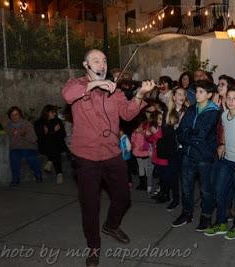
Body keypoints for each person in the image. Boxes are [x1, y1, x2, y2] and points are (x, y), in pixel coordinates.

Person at [61, 49, 155, 267]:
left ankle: (111, 225)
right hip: (86, 156)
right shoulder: (76, 84)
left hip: (112, 153)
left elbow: (128, 114)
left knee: (123, 196)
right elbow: (68, 95)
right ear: (86, 65)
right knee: (90, 205)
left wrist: (140, 94)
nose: (101, 64)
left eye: (104, 60)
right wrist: (94, 85)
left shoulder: (115, 91)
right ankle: (94, 246)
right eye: (96, 60)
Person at [204, 86, 235, 240]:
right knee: (219, 191)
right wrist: (223, 144)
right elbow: (225, 131)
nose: (231, 101)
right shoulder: (225, 115)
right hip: (226, 161)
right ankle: (221, 223)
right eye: (229, 98)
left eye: (234, 98)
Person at [171, 80, 220, 231]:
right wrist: (188, 134)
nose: (196, 95)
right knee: (186, 186)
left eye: (200, 92)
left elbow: (202, 135)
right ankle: (187, 213)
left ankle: (206, 217)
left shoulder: (213, 112)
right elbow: (180, 132)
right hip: (188, 154)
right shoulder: (191, 109)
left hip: (204, 156)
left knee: (206, 189)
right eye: (196, 91)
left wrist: (187, 134)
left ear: (209, 95)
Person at [5, 106, 42, 186]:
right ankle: (15, 178)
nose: (14, 117)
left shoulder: (27, 124)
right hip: (16, 148)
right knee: (14, 157)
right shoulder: (8, 126)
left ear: (20, 115)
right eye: (12, 115)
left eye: (16, 114)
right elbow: (10, 142)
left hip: (29, 146)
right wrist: (14, 135)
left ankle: (38, 174)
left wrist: (24, 135)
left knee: (30, 156)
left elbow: (34, 139)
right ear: (10, 116)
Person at [34, 104, 67, 184]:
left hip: (57, 145)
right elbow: (41, 137)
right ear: (47, 112)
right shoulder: (39, 123)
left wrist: (50, 132)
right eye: (53, 112)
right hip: (45, 146)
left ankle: (50, 161)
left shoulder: (57, 121)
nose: (55, 114)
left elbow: (63, 134)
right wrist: (53, 131)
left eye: (55, 112)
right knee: (54, 147)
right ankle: (59, 173)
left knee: (55, 146)